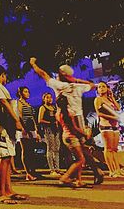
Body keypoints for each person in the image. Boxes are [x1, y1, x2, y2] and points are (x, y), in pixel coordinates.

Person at [30, 57, 103, 187]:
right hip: (77, 118)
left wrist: (33, 64)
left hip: (69, 118)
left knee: (80, 152)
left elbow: (43, 74)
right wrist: (75, 80)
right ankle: (88, 174)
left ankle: (83, 177)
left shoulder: (59, 86)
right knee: (81, 151)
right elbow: (92, 85)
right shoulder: (77, 86)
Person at [0, 64, 27, 204]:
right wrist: (16, 120)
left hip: (4, 124)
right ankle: (1, 193)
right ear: (2, 74)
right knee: (5, 158)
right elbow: (3, 102)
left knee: (8, 158)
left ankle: (8, 190)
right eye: (5, 76)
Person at [94, 81, 123, 178]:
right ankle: (111, 170)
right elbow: (99, 114)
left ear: (107, 88)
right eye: (99, 87)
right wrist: (112, 118)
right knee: (108, 149)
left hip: (115, 126)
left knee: (114, 149)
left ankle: (118, 170)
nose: (101, 88)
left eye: (103, 86)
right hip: (106, 126)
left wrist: (112, 98)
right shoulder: (98, 99)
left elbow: (118, 109)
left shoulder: (110, 100)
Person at [17, 86, 42, 181]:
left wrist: (36, 130)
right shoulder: (19, 103)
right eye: (25, 92)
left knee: (31, 151)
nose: (28, 93)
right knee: (26, 151)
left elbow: (32, 117)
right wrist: (24, 128)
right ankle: (28, 173)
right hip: (24, 129)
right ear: (21, 93)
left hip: (31, 128)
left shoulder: (28, 104)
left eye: (28, 91)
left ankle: (33, 171)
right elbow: (19, 116)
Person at [38, 92, 61, 176]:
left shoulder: (54, 107)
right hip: (48, 129)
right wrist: (50, 122)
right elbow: (40, 120)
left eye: (50, 97)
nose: (49, 99)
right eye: (47, 97)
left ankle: (57, 168)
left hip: (56, 129)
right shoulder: (43, 108)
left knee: (56, 149)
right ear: (44, 99)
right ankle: (52, 169)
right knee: (50, 148)